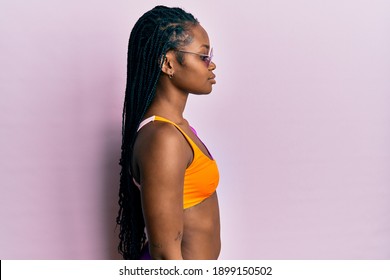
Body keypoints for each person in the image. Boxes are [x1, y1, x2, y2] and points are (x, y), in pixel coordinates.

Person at [116, 5, 220, 260]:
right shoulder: (163, 138)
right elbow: (164, 255)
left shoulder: (179, 129)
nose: (212, 64)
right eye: (203, 56)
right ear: (168, 63)